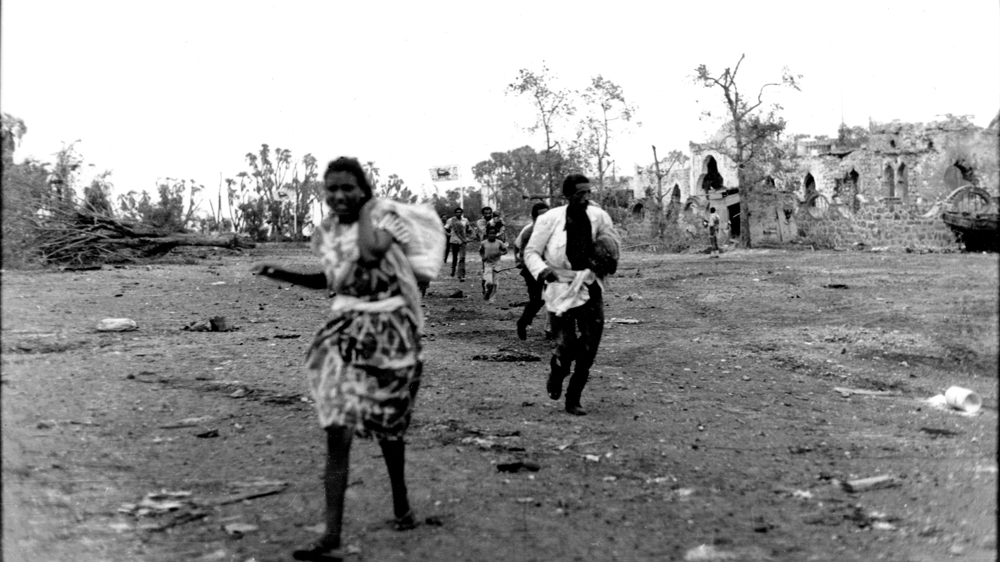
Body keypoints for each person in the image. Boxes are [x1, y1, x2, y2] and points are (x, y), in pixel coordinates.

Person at [254, 156, 443, 561]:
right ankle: (331, 537)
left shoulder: (384, 221)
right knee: (336, 430)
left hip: (392, 333)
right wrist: (280, 273)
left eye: (347, 188)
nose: (339, 196)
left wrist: (368, 211)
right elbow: (334, 279)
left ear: (363, 189)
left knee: (390, 427)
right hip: (346, 331)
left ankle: (402, 503)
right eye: (332, 189)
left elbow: (371, 255)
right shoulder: (326, 233)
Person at [524, 174, 621, 416]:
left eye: (589, 193)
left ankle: (573, 398)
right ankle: (557, 371)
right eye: (580, 194)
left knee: (589, 346)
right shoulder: (549, 219)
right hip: (559, 286)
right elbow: (531, 252)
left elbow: (612, 242)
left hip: (589, 285)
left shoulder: (599, 216)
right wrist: (542, 270)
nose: (586, 198)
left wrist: (607, 257)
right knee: (566, 345)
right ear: (568, 196)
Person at [513, 202, 549, 340]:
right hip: (532, 270)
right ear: (534, 218)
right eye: (542, 216)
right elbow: (522, 251)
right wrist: (520, 261)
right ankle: (523, 322)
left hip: (546, 268)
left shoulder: (550, 229)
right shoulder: (530, 232)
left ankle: (552, 330)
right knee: (537, 300)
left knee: (550, 298)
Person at [479, 225, 508, 301]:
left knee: (495, 283)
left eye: (493, 233)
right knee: (489, 282)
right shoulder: (484, 243)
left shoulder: (499, 243)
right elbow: (481, 251)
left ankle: (492, 298)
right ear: (487, 234)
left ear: (496, 234)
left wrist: (500, 253)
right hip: (487, 264)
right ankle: (487, 292)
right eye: (490, 233)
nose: (492, 235)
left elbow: (505, 250)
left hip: (496, 264)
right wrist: (483, 257)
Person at [445, 207, 471, 281]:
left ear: (462, 213)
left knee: (462, 258)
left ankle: (461, 275)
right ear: (455, 213)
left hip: (462, 241)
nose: (459, 213)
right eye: (457, 212)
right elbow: (445, 229)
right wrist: (448, 234)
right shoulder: (451, 220)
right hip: (454, 241)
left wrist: (469, 237)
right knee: (455, 258)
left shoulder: (465, 220)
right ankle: (453, 270)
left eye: (460, 212)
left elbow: (468, 229)